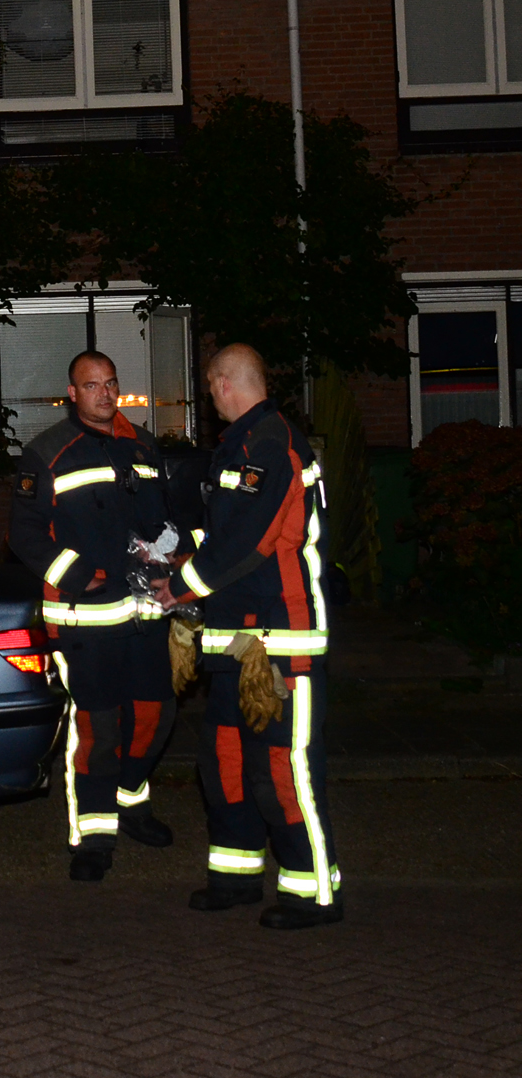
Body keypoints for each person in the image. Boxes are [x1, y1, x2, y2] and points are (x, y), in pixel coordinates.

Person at [156, 344, 342, 928]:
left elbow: (251, 543)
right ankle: (235, 878)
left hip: (279, 641)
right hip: (233, 641)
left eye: (211, 389)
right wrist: (177, 563)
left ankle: (313, 892)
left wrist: (179, 588)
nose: (210, 400)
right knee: (226, 766)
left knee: (281, 771)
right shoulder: (238, 447)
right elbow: (220, 535)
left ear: (223, 383)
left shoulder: (273, 446)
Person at [8, 350, 181, 882]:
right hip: (86, 619)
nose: (105, 394)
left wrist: (172, 559)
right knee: (97, 728)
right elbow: (24, 535)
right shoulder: (46, 454)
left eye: (111, 384)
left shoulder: (143, 446)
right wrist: (81, 574)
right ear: (73, 393)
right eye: (92, 386)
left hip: (148, 612)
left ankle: (132, 801)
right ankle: (94, 835)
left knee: (156, 716)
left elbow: (166, 519)